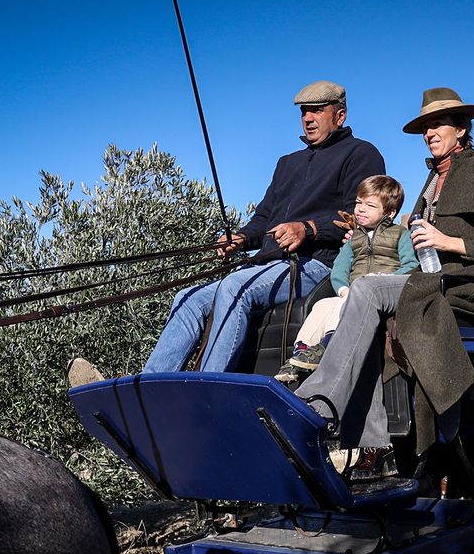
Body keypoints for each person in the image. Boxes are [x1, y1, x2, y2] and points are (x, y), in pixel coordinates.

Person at [69, 81, 385, 386]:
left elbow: (359, 216)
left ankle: (203, 388)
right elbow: (264, 218)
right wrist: (241, 238)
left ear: (339, 115)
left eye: (317, 110)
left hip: (316, 264)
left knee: (235, 287)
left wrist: (309, 229)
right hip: (268, 264)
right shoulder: (287, 163)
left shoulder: (360, 154)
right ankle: (150, 389)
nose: (308, 118)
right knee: (188, 298)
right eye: (304, 111)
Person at [296, 87, 474, 480]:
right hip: (426, 283)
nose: (429, 133)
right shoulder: (431, 181)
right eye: (425, 127)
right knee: (364, 303)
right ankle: (376, 447)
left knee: (368, 289)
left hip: (466, 290)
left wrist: (449, 242)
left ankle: (318, 405)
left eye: (438, 124)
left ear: (461, 129)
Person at [274, 175, 417, 383]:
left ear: (389, 213)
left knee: (344, 304)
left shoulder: (400, 234)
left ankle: (329, 345)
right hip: (353, 292)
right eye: (358, 203)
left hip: (382, 291)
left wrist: (387, 277)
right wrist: (343, 289)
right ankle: (301, 352)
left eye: (370, 205)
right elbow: (340, 268)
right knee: (323, 305)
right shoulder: (354, 239)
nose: (360, 209)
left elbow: (411, 265)